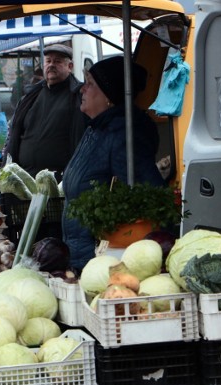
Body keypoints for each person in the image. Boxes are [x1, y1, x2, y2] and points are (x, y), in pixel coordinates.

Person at [62, 56, 165, 271]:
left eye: (90, 84)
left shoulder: (124, 135)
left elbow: (144, 194)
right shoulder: (97, 128)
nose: (82, 89)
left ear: (109, 96)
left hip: (106, 261)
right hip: (83, 253)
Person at [5, 44, 87, 179]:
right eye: (48, 61)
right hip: (26, 179)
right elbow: (15, 135)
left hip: (61, 182)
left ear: (70, 66)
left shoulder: (79, 96)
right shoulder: (31, 96)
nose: (51, 65)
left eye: (58, 61)